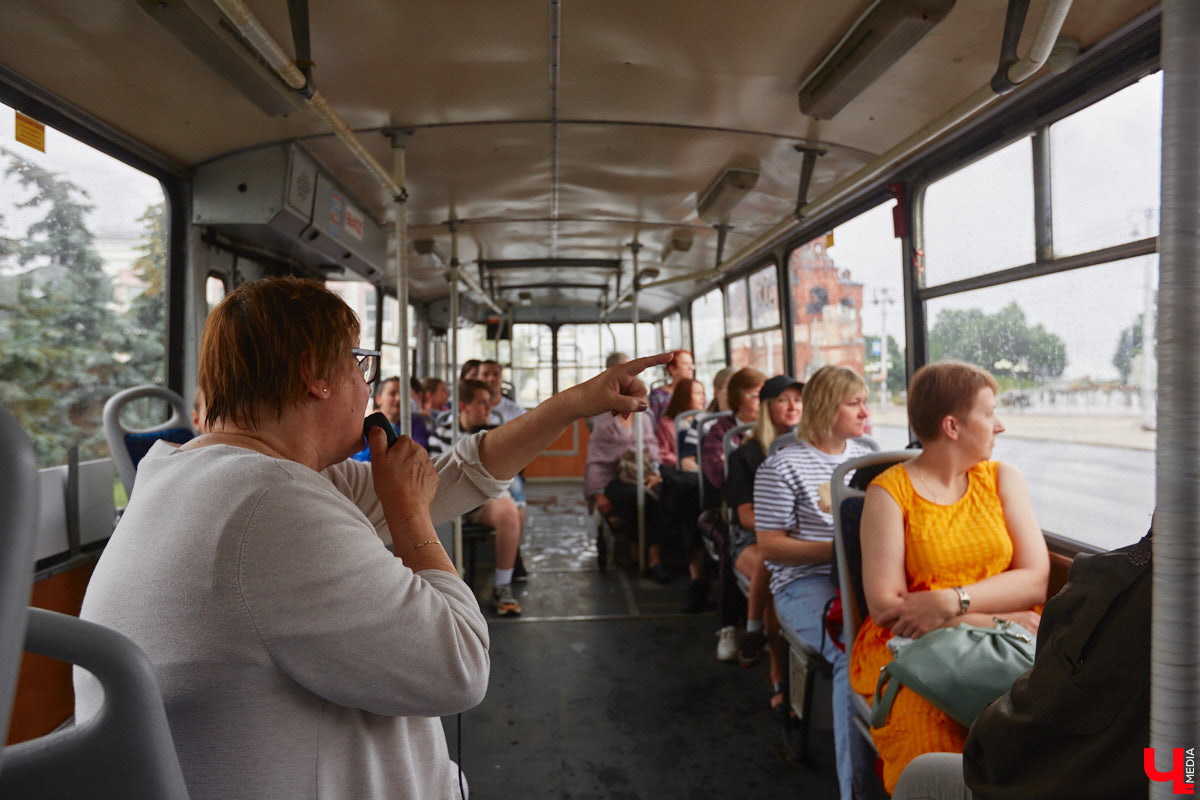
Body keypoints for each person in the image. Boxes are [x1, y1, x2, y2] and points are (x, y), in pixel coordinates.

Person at [74, 276, 671, 800]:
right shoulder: (271, 510)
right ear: (314, 375)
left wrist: (574, 404)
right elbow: (459, 667)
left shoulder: (200, 473)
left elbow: (455, 476)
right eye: (360, 366)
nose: (367, 388)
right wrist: (410, 519)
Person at [848, 360, 1048, 795]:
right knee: (937, 753)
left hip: (1013, 635)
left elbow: (1035, 579)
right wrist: (986, 618)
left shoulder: (1002, 480)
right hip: (914, 647)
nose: (1000, 426)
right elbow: (888, 608)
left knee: (1045, 735)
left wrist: (948, 602)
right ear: (952, 426)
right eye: (990, 413)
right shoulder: (888, 493)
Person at [753, 365, 875, 800]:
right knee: (850, 646)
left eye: (864, 401)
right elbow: (770, 547)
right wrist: (840, 548)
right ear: (827, 407)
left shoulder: (866, 461)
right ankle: (855, 790)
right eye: (854, 403)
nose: (865, 411)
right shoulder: (781, 465)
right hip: (803, 585)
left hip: (860, 580)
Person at [722, 375, 801, 720]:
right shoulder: (747, 455)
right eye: (784, 400)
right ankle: (777, 673)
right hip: (750, 537)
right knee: (772, 562)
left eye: (798, 400)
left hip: (796, 534)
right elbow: (743, 515)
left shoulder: (808, 452)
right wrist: (785, 527)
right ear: (768, 408)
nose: (793, 406)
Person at [428, 379, 526, 616]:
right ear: (463, 406)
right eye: (481, 403)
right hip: (449, 495)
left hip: (481, 495)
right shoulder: (441, 434)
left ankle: (502, 585)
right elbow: (438, 474)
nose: (488, 410)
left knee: (511, 512)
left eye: (488, 404)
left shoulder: (492, 434)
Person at [584, 407, 670, 583]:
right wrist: (598, 493)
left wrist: (655, 473)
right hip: (614, 475)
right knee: (635, 497)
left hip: (643, 472)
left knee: (660, 495)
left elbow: (652, 447)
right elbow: (596, 460)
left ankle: (654, 556)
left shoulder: (643, 419)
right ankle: (637, 549)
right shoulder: (604, 422)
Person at [701, 366, 765, 496]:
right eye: (755, 396)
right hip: (736, 496)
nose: (761, 402)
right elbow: (719, 473)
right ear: (737, 399)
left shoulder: (774, 427)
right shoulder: (720, 431)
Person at [350, 376, 429, 460]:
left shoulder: (415, 422)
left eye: (402, 394)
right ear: (378, 399)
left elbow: (419, 453)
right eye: (392, 393)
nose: (398, 398)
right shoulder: (365, 426)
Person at [655, 377, 705, 469]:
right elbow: (663, 453)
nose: (703, 397)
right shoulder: (667, 423)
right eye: (698, 393)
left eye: (703, 393)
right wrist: (681, 462)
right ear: (685, 396)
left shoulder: (705, 421)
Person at [648, 349, 694, 423]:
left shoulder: (697, 391)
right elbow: (655, 423)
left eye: (691, 364)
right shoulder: (658, 395)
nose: (691, 368)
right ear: (672, 369)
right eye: (685, 364)